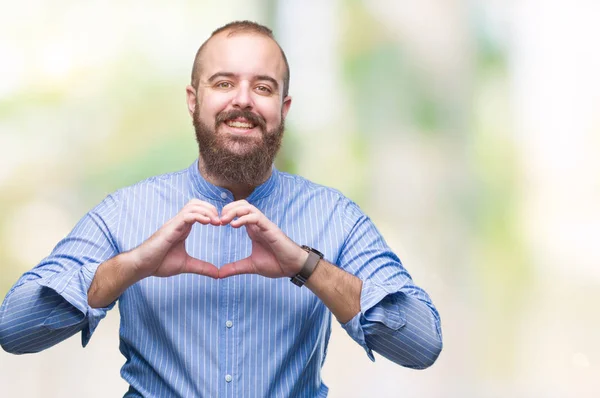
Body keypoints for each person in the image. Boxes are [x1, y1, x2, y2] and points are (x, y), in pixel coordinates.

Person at [0, 21, 442, 397]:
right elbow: (14, 329)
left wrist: (307, 266)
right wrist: (132, 266)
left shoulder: (335, 217)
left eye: (263, 87)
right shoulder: (123, 212)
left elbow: (422, 344)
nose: (243, 100)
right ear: (194, 100)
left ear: (283, 108)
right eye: (224, 82)